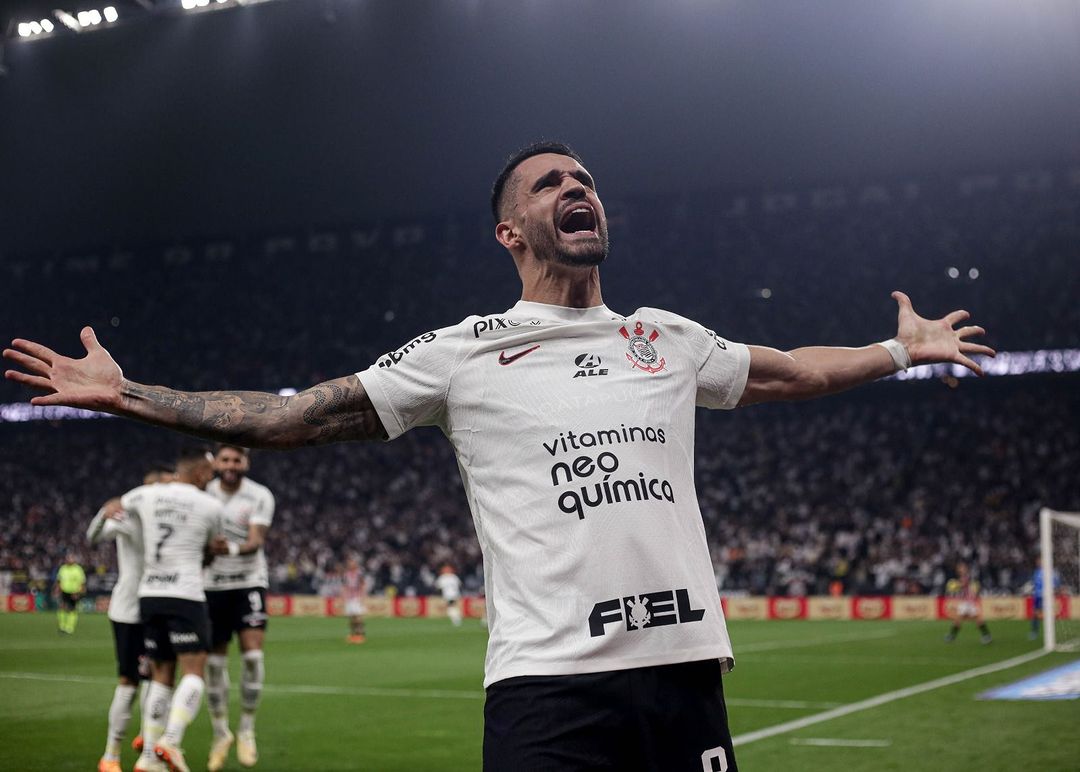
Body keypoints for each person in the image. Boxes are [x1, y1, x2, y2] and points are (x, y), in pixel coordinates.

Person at [3, 142, 995, 771]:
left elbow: (794, 373)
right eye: (551, 182)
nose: (579, 187)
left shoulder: (664, 335)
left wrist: (900, 349)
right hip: (548, 691)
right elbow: (289, 417)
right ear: (510, 228)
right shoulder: (462, 350)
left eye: (588, 179)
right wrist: (125, 393)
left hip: (683, 674)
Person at [120, 447, 225, 772]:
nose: (212, 479)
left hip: (150, 593)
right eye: (210, 474)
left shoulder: (146, 495)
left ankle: (150, 756)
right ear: (199, 473)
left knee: (161, 676)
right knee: (194, 673)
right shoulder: (210, 505)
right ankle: (172, 740)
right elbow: (208, 553)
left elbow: (117, 506)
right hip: (185, 594)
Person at [87, 465, 174, 772]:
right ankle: (110, 754)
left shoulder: (171, 519)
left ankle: (146, 743)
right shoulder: (127, 519)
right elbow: (93, 537)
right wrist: (103, 513)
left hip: (160, 605)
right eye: (154, 486)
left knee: (159, 676)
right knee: (130, 681)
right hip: (128, 609)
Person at [202, 444, 275, 771]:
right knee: (214, 666)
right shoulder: (202, 493)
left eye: (237, 459)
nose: (231, 465)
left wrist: (226, 548)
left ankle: (246, 728)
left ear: (246, 462)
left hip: (248, 581)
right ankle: (221, 733)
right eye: (225, 459)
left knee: (253, 656)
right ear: (216, 462)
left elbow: (255, 542)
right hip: (211, 585)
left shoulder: (260, 495)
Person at [944, 561, 992, 644]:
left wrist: (955, 585)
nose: (960, 569)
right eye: (959, 568)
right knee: (957, 619)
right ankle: (952, 635)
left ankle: (986, 635)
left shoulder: (968, 576)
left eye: (961, 567)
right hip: (964, 601)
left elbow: (965, 584)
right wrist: (955, 586)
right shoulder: (961, 577)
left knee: (978, 619)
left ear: (965, 568)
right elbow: (960, 587)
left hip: (969, 601)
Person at [1026, 558, 1061, 641]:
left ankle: (1052, 632)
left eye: (1040, 561)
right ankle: (1034, 632)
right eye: (1037, 561)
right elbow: (1035, 583)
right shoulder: (1037, 572)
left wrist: (1053, 591)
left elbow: (1056, 584)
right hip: (1037, 596)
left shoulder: (1052, 572)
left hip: (1047, 596)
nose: (1038, 562)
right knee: (1035, 614)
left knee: (1049, 614)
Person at [54, 552, 86, 635]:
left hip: (74, 592)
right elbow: (59, 580)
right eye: (68, 558)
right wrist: (57, 590)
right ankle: (62, 626)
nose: (69, 560)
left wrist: (78, 592)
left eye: (71, 558)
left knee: (72, 610)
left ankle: (70, 628)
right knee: (62, 608)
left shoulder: (78, 569)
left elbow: (82, 582)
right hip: (64, 591)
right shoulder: (63, 568)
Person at [341, 557, 368, 644]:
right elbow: (344, 586)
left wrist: (363, 597)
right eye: (349, 563)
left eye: (352, 563)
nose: (350, 565)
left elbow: (363, 585)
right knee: (351, 617)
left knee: (358, 617)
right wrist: (343, 598)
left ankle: (360, 634)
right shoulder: (345, 574)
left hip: (357, 597)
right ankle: (353, 635)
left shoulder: (359, 574)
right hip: (349, 598)